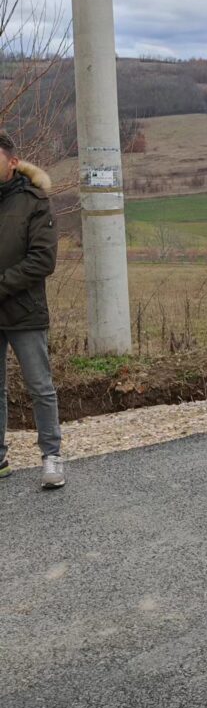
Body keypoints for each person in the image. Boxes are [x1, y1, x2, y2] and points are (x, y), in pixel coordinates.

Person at [0, 131, 65, 490]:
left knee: (40, 386)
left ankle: (51, 456)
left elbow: (42, 260)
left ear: (12, 162)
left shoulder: (35, 200)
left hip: (24, 310)